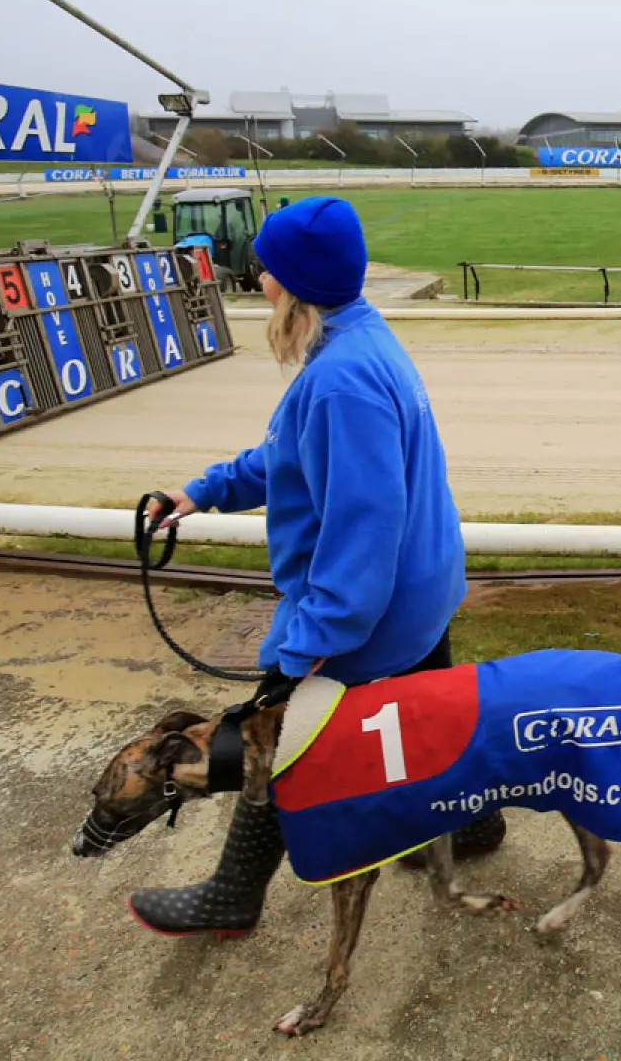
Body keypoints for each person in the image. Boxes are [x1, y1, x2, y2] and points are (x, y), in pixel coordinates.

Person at [129, 195, 501, 936]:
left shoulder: (341, 380)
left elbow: (362, 533)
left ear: (295, 284)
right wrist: (200, 492)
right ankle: (473, 824)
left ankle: (233, 895)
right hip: (422, 589)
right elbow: (288, 458)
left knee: (273, 742)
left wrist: (302, 651)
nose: (259, 280)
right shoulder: (360, 340)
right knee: (434, 725)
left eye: (267, 270)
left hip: (375, 609)